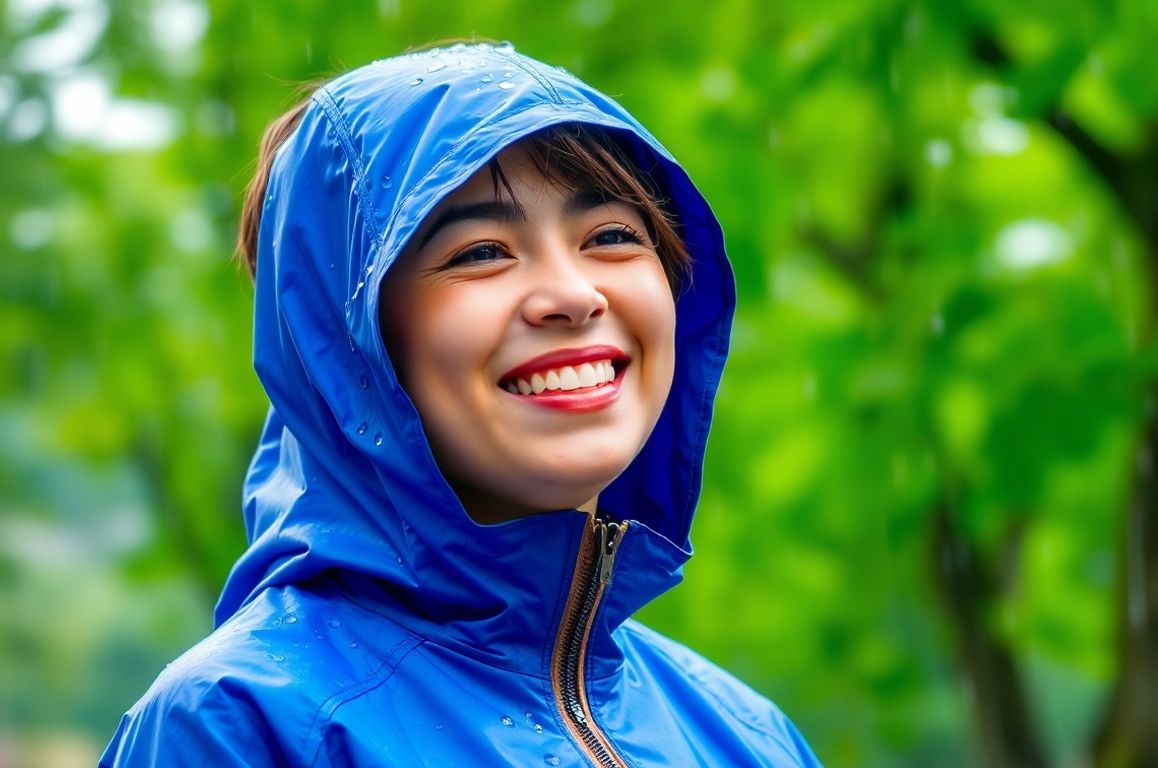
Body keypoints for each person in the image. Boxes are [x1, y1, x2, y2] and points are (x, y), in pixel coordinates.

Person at [100, 41, 821, 767]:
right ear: (346, 347)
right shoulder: (237, 727)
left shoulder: (747, 735)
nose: (574, 295)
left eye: (611, 236)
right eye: (480, 252)